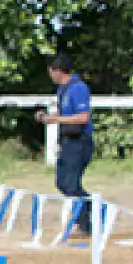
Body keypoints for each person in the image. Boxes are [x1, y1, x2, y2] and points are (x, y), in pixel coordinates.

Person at [37, 53, 94, 234]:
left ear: (58, 71)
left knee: (71, 184)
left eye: (51, 72)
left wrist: (55, 119)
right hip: (68, 141)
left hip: (80, 142)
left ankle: (87, 220)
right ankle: (89, 211)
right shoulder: (62, 90)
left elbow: (83, 117)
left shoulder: (78, 88)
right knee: (62, 182)